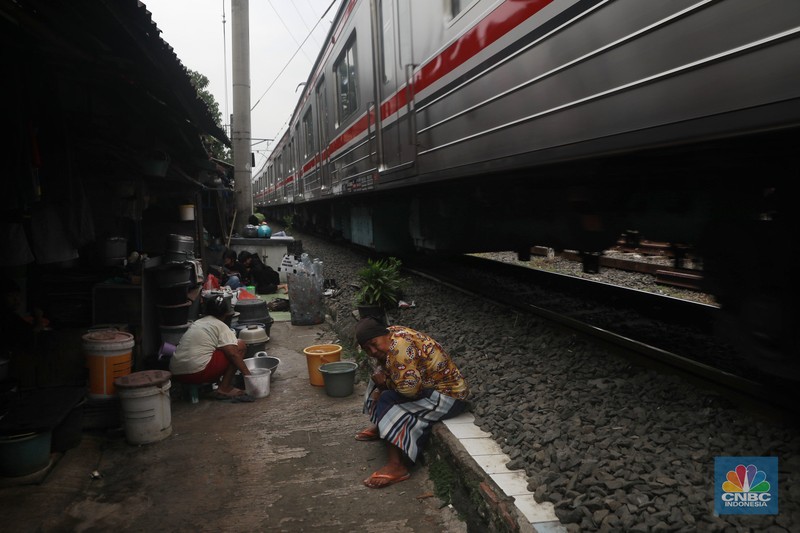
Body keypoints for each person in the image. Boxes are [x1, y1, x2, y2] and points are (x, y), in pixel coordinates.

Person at [354, 317, 470, 488]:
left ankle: (397, 466)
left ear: (382, 335)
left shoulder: (400, 347)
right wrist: (381, 381)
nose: (372, 351)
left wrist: (384, 385)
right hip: (427, 387)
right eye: (367, 349)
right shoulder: (391, 333)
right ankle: (383, 426)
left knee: (387, 396)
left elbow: (410, 390)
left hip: (450, 397)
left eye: (374, 344)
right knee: (378, 377)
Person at [169, 293, 252, 399]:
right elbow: (233, 354)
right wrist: (249, 377)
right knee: (239, 345)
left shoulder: (197, 323)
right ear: (226, 314)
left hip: (176, 373)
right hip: (197, 373)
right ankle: (224, 388)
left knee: (216, 349)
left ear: (206, 311)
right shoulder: (221, 326)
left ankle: (217, 384)